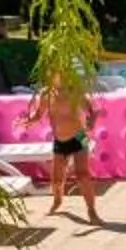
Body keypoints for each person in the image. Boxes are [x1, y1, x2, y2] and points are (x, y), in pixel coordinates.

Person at [36, 69, 101, 223]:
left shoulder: (75, 92)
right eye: (57, 75)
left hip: (80, 136)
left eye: (65, 75)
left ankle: (92, 211)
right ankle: (57, 200)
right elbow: (39, 114)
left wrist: (91, 122)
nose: (62, 78)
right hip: (60, 139)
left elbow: (94, 111)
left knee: (83, 175)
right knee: (57, 179)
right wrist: (28, 121)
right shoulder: (46, 94)